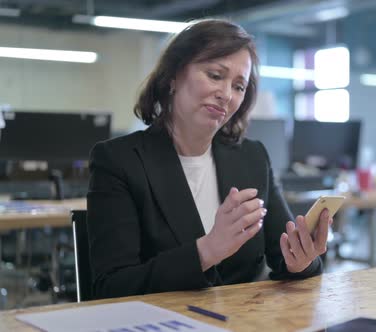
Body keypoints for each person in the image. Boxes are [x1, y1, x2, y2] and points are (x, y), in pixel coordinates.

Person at [87, 19, 331, 299]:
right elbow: (112, 287)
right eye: (215, 75)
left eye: (239, 86)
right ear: (173, 76)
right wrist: (208, 250)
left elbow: (285, 258)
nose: (226, 95)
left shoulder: (252, 157)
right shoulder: (119, 161)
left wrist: (302, 262)